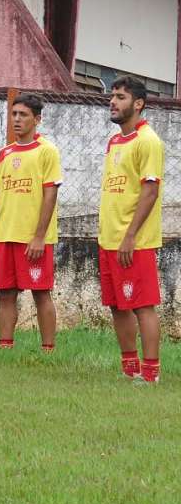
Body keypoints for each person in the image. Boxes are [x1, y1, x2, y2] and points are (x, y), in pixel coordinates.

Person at [0, 93, 61, 351]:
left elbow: (51, 195)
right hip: (6, 236)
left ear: (36, 119)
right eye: (14, 114)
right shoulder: (5, 153)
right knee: (5, 293)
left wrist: (39, 236)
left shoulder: (47, 151)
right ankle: (5, 347)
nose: (16, 119)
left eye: (23, 115)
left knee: (40, 292)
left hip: (33, 239)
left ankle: (48, 350)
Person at [98, 76, 164, 383]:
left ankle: (151, 374)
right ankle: (130, 369)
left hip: (133, 241)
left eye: (121, 97)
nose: (113, 101)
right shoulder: (115, 141)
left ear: (138, 104)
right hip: (108, 239)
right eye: (112, 96)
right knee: (116, 305)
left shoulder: (148, 141)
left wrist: (130, 236)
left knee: (142, 306)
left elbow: (149, 192)